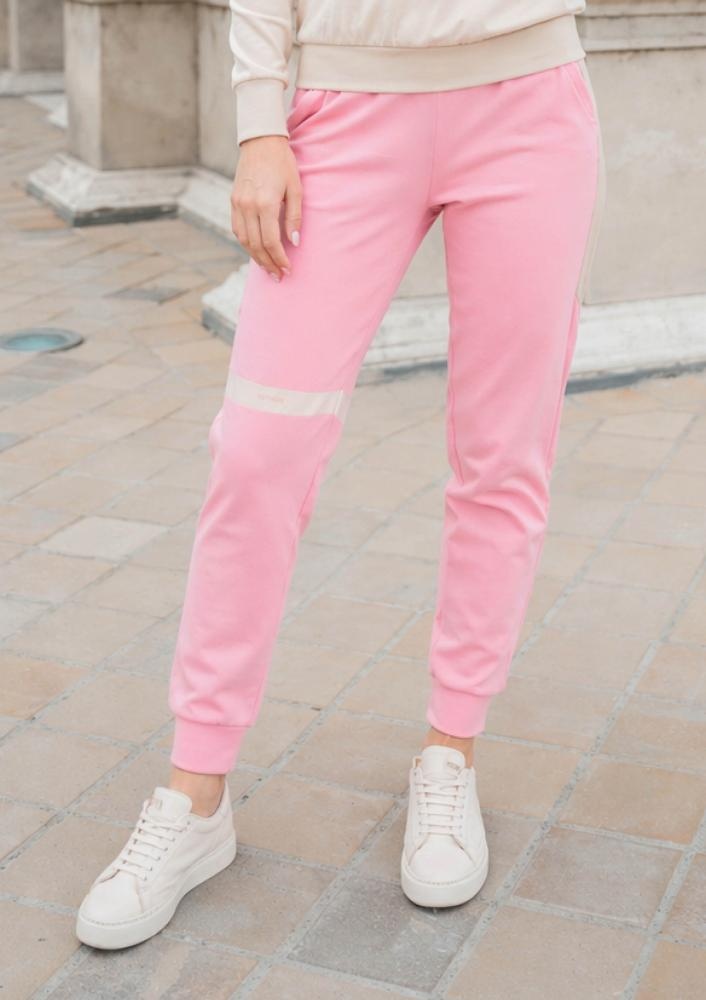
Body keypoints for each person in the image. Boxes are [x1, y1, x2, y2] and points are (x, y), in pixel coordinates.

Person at [76, 0, 605, 948]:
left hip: (529, 99)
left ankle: (450, 754)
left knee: (503, 456)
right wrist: (259, 125)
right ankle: (196, 795)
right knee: (258, 452)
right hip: (345, 106)